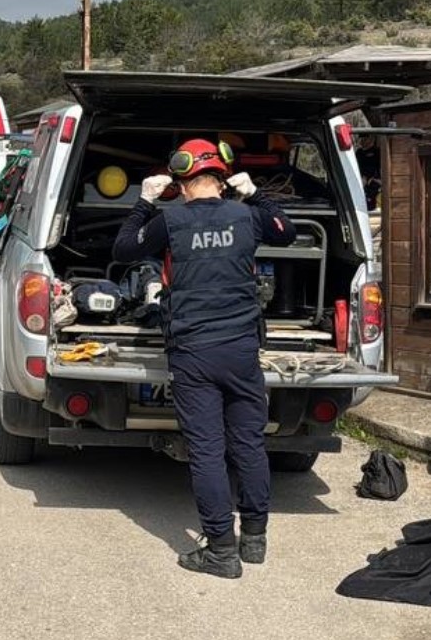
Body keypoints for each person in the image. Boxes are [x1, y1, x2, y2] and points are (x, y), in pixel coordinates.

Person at [112, 138, 296, 578]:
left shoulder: (169, 222)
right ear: (222, 177)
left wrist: (143, 202)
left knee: (208, 451)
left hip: (194, 351)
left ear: (181, 179)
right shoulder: (248, 217)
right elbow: (287, 232)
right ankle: (254, 540)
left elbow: (122, 251)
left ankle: (220, 552)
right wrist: (258, 194)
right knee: (249, 443)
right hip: (242, 350)